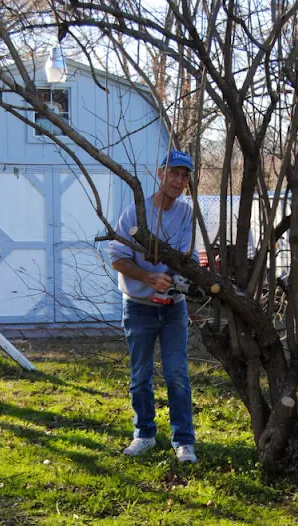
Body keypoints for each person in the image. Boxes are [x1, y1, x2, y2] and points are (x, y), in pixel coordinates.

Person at [109, 150, 198, 463]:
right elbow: (118, 258)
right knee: (141, 375)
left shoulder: (187, 213)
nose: (178, 181)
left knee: (177, 374)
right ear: (160, 174)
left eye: (184, 176)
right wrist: (149, 277)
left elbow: (188, 256)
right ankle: (144, 434)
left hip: (173, 307)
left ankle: (184, 441)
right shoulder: (136, 212)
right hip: (139, 306)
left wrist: (170, 278)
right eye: (173, 173)